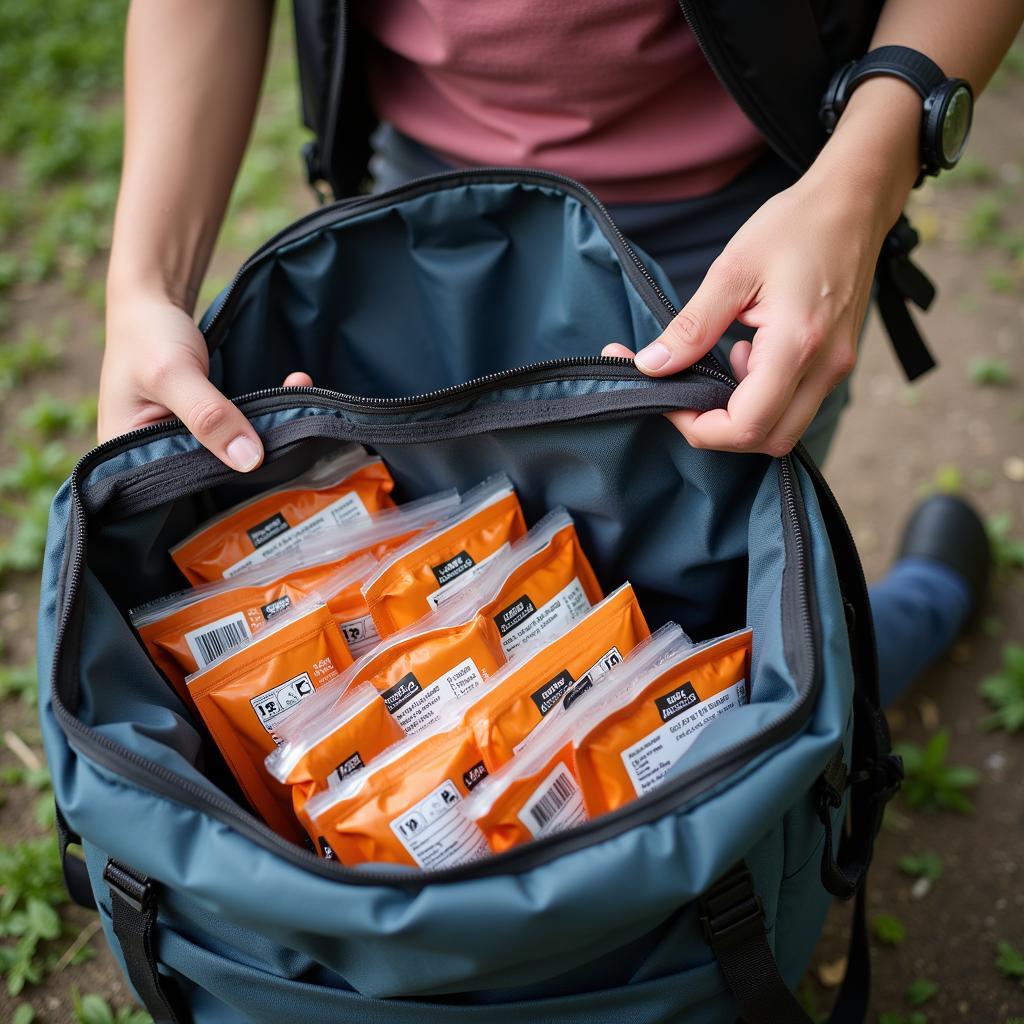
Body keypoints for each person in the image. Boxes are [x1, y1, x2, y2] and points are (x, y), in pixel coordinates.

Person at [99, 1, 1019, 704]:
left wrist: (861, 184)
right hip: (420, 239)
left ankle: (895, 628)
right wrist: (143, 286)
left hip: (751, 241)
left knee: (730, 634)